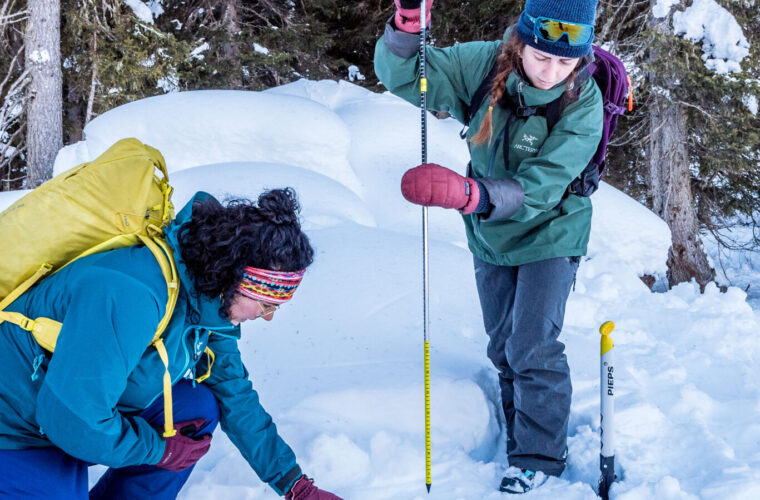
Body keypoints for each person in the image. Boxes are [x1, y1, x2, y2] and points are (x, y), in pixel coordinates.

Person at [375, 0, 603, 494]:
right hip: (489, 233)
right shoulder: (483, 64)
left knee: (533, 345)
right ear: (521, 42)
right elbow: (406, 77)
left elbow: (544, 185)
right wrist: (407, 29)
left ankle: (539, 458)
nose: (551, 72)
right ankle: (517, 426)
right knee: (504, 346)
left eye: (565, 63)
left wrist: (468, 194)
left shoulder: (583, 103)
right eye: (542, 57)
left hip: (552, 231)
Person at [0, 188, 341, 500]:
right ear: (236, 277)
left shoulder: (208, 299)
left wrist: (295, 486)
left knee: (195, 409)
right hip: (16, 427)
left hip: (71, 407)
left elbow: (234, 394)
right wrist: (158, 450)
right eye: (267, 304)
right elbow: (73, 420)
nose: (267, 317)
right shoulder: (131, 294)